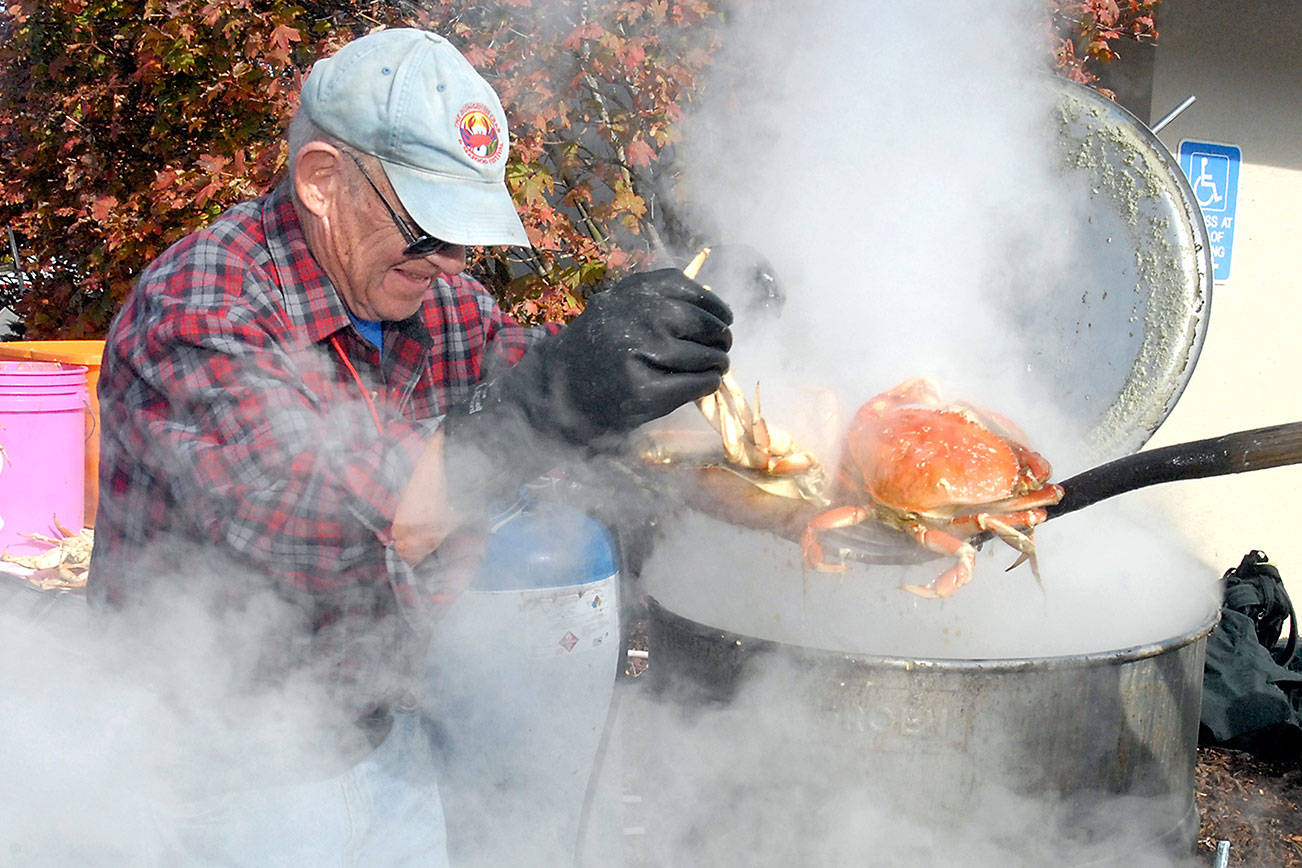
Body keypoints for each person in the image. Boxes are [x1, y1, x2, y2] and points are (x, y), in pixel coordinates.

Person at [87, 27, 732, 864]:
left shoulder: (428, 299)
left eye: (466, 232)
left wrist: (676, 357)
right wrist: (547, 407)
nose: (454, 261)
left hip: (381, 737)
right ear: (323, 180)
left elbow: (544, 390)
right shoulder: (204, 299)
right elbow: (306, 522)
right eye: (428, 226)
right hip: (211, 775)